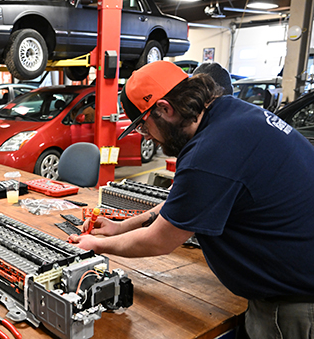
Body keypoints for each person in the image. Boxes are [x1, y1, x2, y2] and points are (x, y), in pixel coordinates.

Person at [69, 60, 314, 339]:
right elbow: (184, 200)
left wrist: (97, 245)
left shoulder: (210, 151)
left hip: (296, 306)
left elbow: (159, 241)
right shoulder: (229, 114)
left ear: (164, 108)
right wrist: (121, 227)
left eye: (143, 126)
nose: (147, 136)